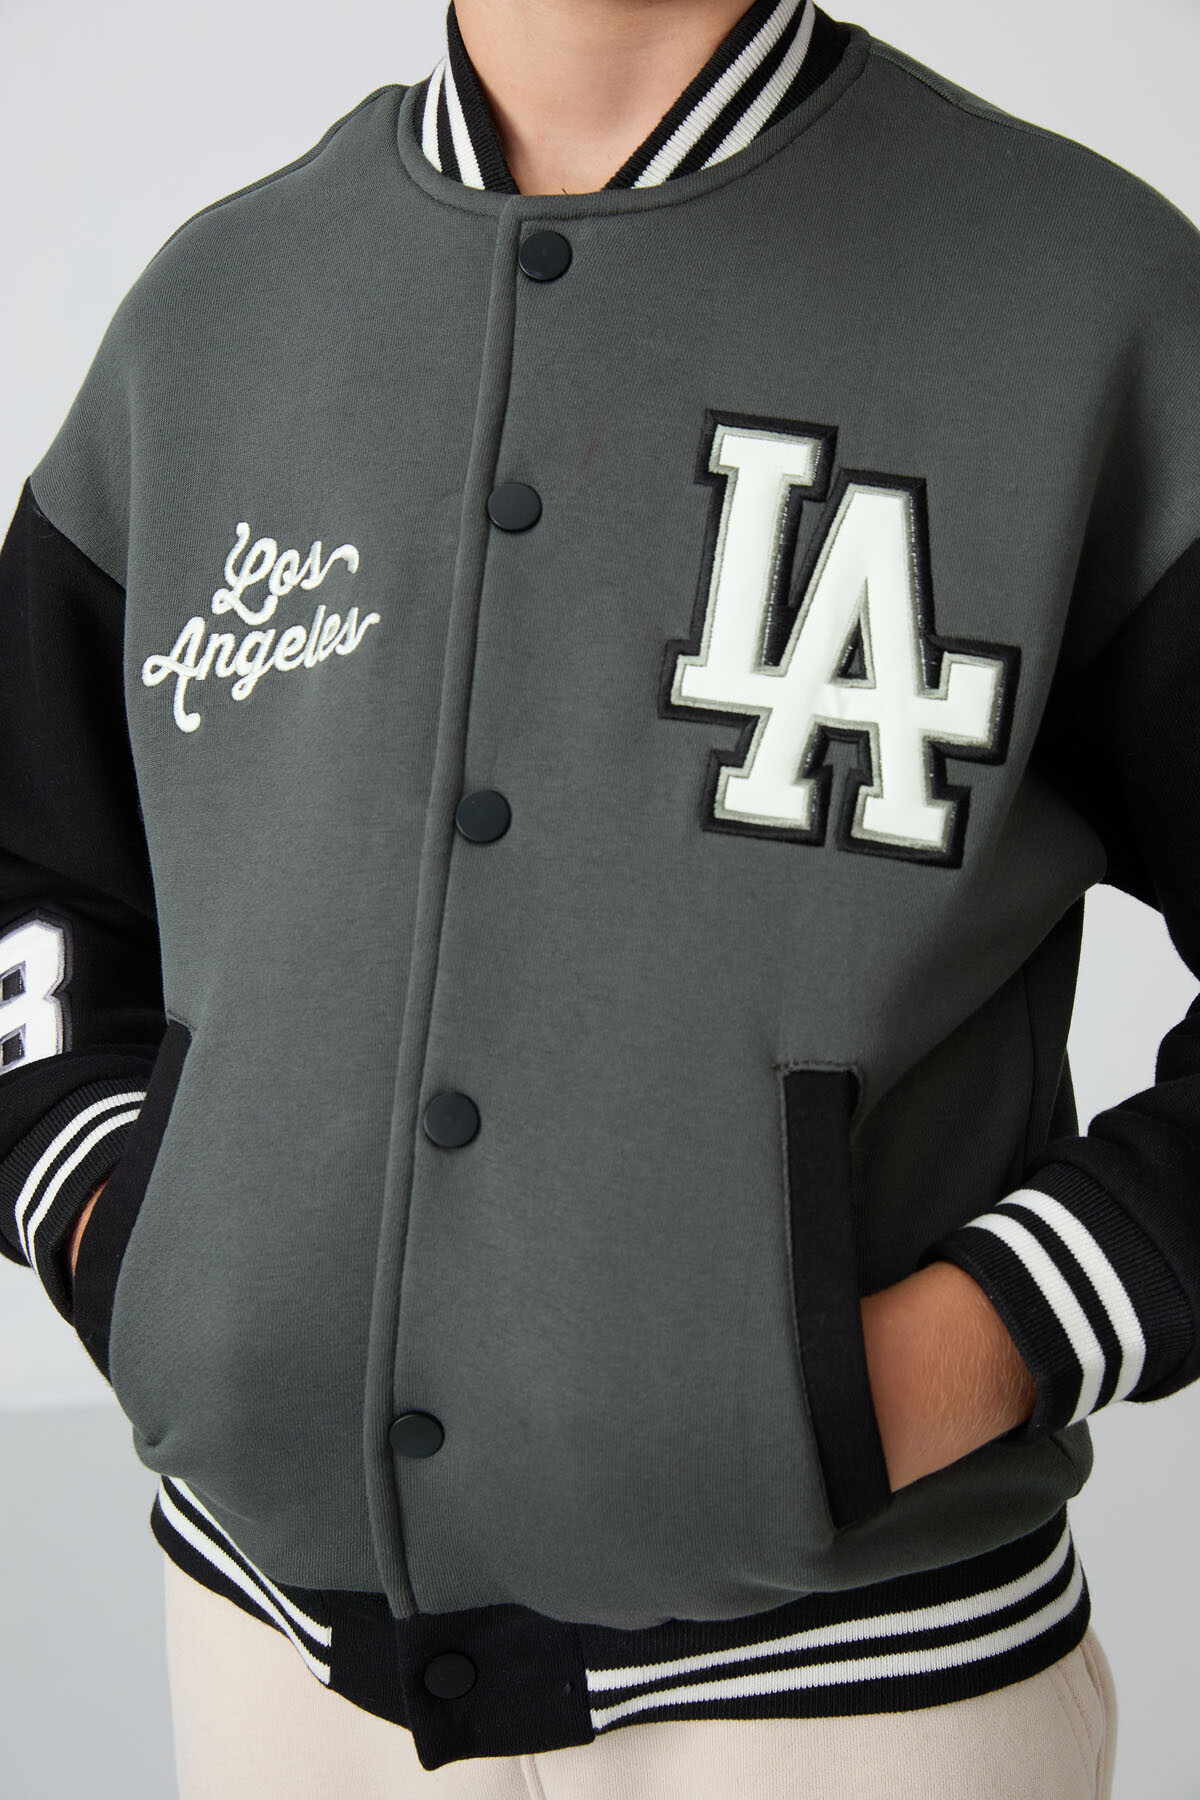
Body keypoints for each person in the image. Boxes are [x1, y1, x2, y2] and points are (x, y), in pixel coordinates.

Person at [4, 0, 1199, 1791]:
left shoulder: (1088, 295)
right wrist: (127, 1237)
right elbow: (29, 874)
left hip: (862, 1707)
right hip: (268, 1674)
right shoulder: (216, 308)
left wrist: (979, 1349)